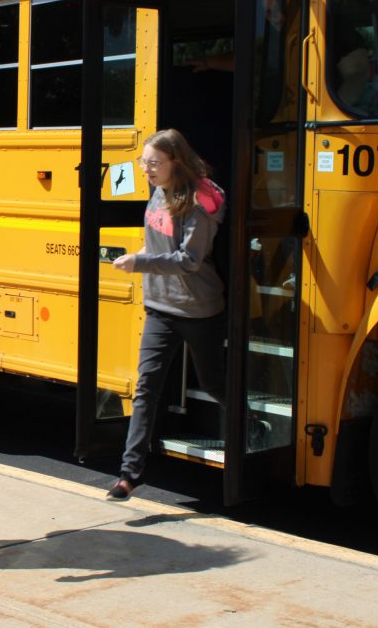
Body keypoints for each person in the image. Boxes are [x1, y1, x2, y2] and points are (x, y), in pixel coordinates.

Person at [107, 129, 227, 501]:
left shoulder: (199, 201)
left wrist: (140, 263)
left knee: (215, 385)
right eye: (144, 162)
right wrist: (139, 257)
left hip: (197, 309)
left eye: (154, 163)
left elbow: (189, 260)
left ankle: (249, 431)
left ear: (176, 160)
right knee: (146, 389)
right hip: (159, 307)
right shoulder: (158, 192)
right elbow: (157, 243)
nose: (147, 169)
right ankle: (129, 474)